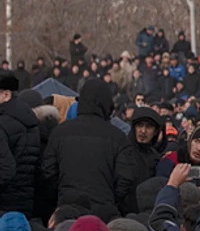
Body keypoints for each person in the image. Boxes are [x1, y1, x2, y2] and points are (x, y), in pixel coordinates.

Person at [41, 78, 136, 222]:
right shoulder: (118, 137)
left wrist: (61, 197)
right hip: (104, 214)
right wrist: (109, 201)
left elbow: (48, 173)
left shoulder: (59, 133)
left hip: (67, 212)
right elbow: (125, 179)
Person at [0, 73, 40, 216]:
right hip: (27, 201)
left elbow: (6, 169)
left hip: (4, 204)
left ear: (6, 94)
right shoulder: (30, 120)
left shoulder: (3, 124)